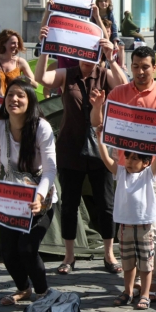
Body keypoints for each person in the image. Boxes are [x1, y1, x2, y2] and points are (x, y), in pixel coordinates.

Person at [90, 46, 156, 302]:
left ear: (153, 67)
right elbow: (98, 123)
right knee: (130, 227)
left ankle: (152, 283)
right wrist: (98, 106)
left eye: (145, 66)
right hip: (125, 168)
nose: (141, 71)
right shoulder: (119, 92)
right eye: (136, 66)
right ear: (130, 67)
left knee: (151, 226)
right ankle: (132, 286)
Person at [34, 25, 128, 275]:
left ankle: (109, 255)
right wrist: (44, 49)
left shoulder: (104, 72)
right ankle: (69, 256)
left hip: (100, 149)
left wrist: (111, 58)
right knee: (69, 205)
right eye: (84, 53)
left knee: (106, 204)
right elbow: (42, 79)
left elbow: (124, 87)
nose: (88, 59)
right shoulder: (68, 74)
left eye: (93, 53)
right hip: (70, 148)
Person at [0, 78, 56, 305]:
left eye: (20, 95)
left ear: (30, 100)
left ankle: (42, 293)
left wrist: (39, 197)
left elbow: (50, 171)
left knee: (27, 249)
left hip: (41, 199)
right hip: (10, 201)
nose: (14, 99)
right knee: (8, 253)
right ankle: (23, 288)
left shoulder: (42, 127)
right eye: (10, 95)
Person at [96, 121, 156, 310]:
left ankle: (145, 294)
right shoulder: (121, 172)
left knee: (146, 264)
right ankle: (128, 291)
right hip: (125, 226)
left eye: (134, 159)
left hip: (145, 226)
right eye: (127, 157)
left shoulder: (148, 174)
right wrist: (100, 139)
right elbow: (106, 159)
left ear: (146, 162)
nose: (129, 162)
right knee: (128, 263)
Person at [0, 30, 37, 94]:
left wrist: (24, 78)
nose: (16, 46)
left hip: (14, 100)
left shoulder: (20, 62)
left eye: (17, 43)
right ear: (3, 43)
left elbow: (35, 85)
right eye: (13, 43)